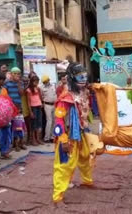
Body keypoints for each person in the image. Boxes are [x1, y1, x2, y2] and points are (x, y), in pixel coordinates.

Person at [53, 62, 93, 202]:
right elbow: (58, 121)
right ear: (72, 77)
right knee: (65, 165)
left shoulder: (84, 93)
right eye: (79, 77)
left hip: (81, 133)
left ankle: (87, 181)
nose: (83, 79)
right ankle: (58, 195)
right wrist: (63, 140)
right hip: (69, 136)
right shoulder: (66, 97)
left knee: (85, 158)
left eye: (85, 76)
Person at [27, 75, 43, 145]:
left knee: (39, 123)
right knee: (34, 124)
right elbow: (28, 101)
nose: (36, 83)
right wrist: (30, 112)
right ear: (32, 82)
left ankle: (38, 139)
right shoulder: (28, 90)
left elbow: (39, 97)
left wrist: (41, 103)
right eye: (35, 82)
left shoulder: (38, 88)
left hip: (39, 106)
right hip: (33, 108)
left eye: (37, 82)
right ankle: (33, 140)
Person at [40, 75, 57, 143]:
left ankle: (52, 137)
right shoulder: (41, 88)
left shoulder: (53, 86)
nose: (46, 82)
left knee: (54, 121)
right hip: (47, 105)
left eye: (46, 81)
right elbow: (41, 96)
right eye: (44, 82)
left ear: (49, 80)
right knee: (49, 121)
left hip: (54, 105)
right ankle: (46, 138)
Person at [21, 76, 32, 145]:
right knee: (20, 126)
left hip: (28, 109)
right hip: (21, 109)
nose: (26, 83)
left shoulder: (29, 90)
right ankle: (20, 142)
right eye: (24, 82)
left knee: (28, 126)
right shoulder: (20, 90)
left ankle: (28, 139)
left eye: (27, 82)